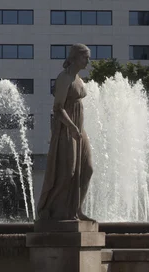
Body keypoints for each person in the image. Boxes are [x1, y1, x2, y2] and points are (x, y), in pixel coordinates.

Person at [37, 43, 95, 221]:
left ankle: (76, 209)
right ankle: (50, 210)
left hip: (79, 128)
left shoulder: (78, 78)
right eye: (85, 57)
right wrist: (71, 126)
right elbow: (58, 108)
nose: (88, 61)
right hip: (66, 128)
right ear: (76, 57)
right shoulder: (64, 78)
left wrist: (78, 128)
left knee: (87, 169)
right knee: (67, 171)